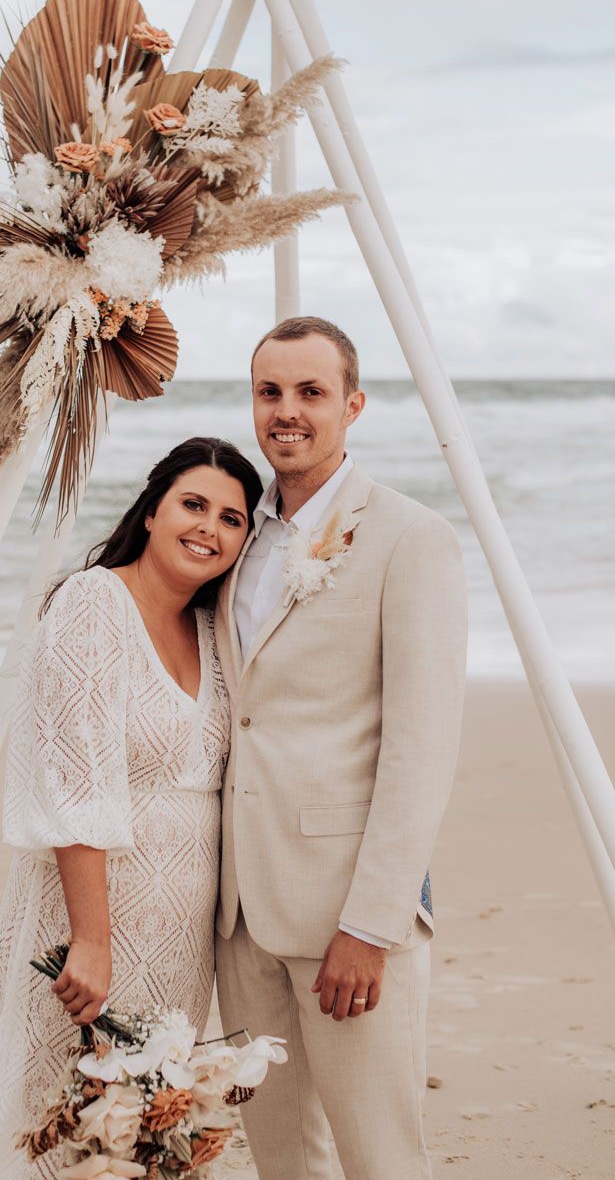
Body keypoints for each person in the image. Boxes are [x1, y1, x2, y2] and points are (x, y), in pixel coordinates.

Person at [0, 437, 263, 1180]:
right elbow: (76, 781)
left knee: (148, 1131)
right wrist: (91, 941)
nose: (209, 528)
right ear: (153, 509)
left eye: (233, 518)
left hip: (181, 935)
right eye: (194, 504)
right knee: (65, 1125)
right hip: (93, 917)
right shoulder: (94, 603)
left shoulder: (210, 628)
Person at [214, 317, 468, 1180]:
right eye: (270, 392)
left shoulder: (411, 539)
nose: (287, 411)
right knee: (282, 1160)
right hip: (239, 913)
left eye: (310, 392)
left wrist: (372, 924)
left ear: (352, 406)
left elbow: (421, 749)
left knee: (382, 1159)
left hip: (347, 920)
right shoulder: (235, 536)